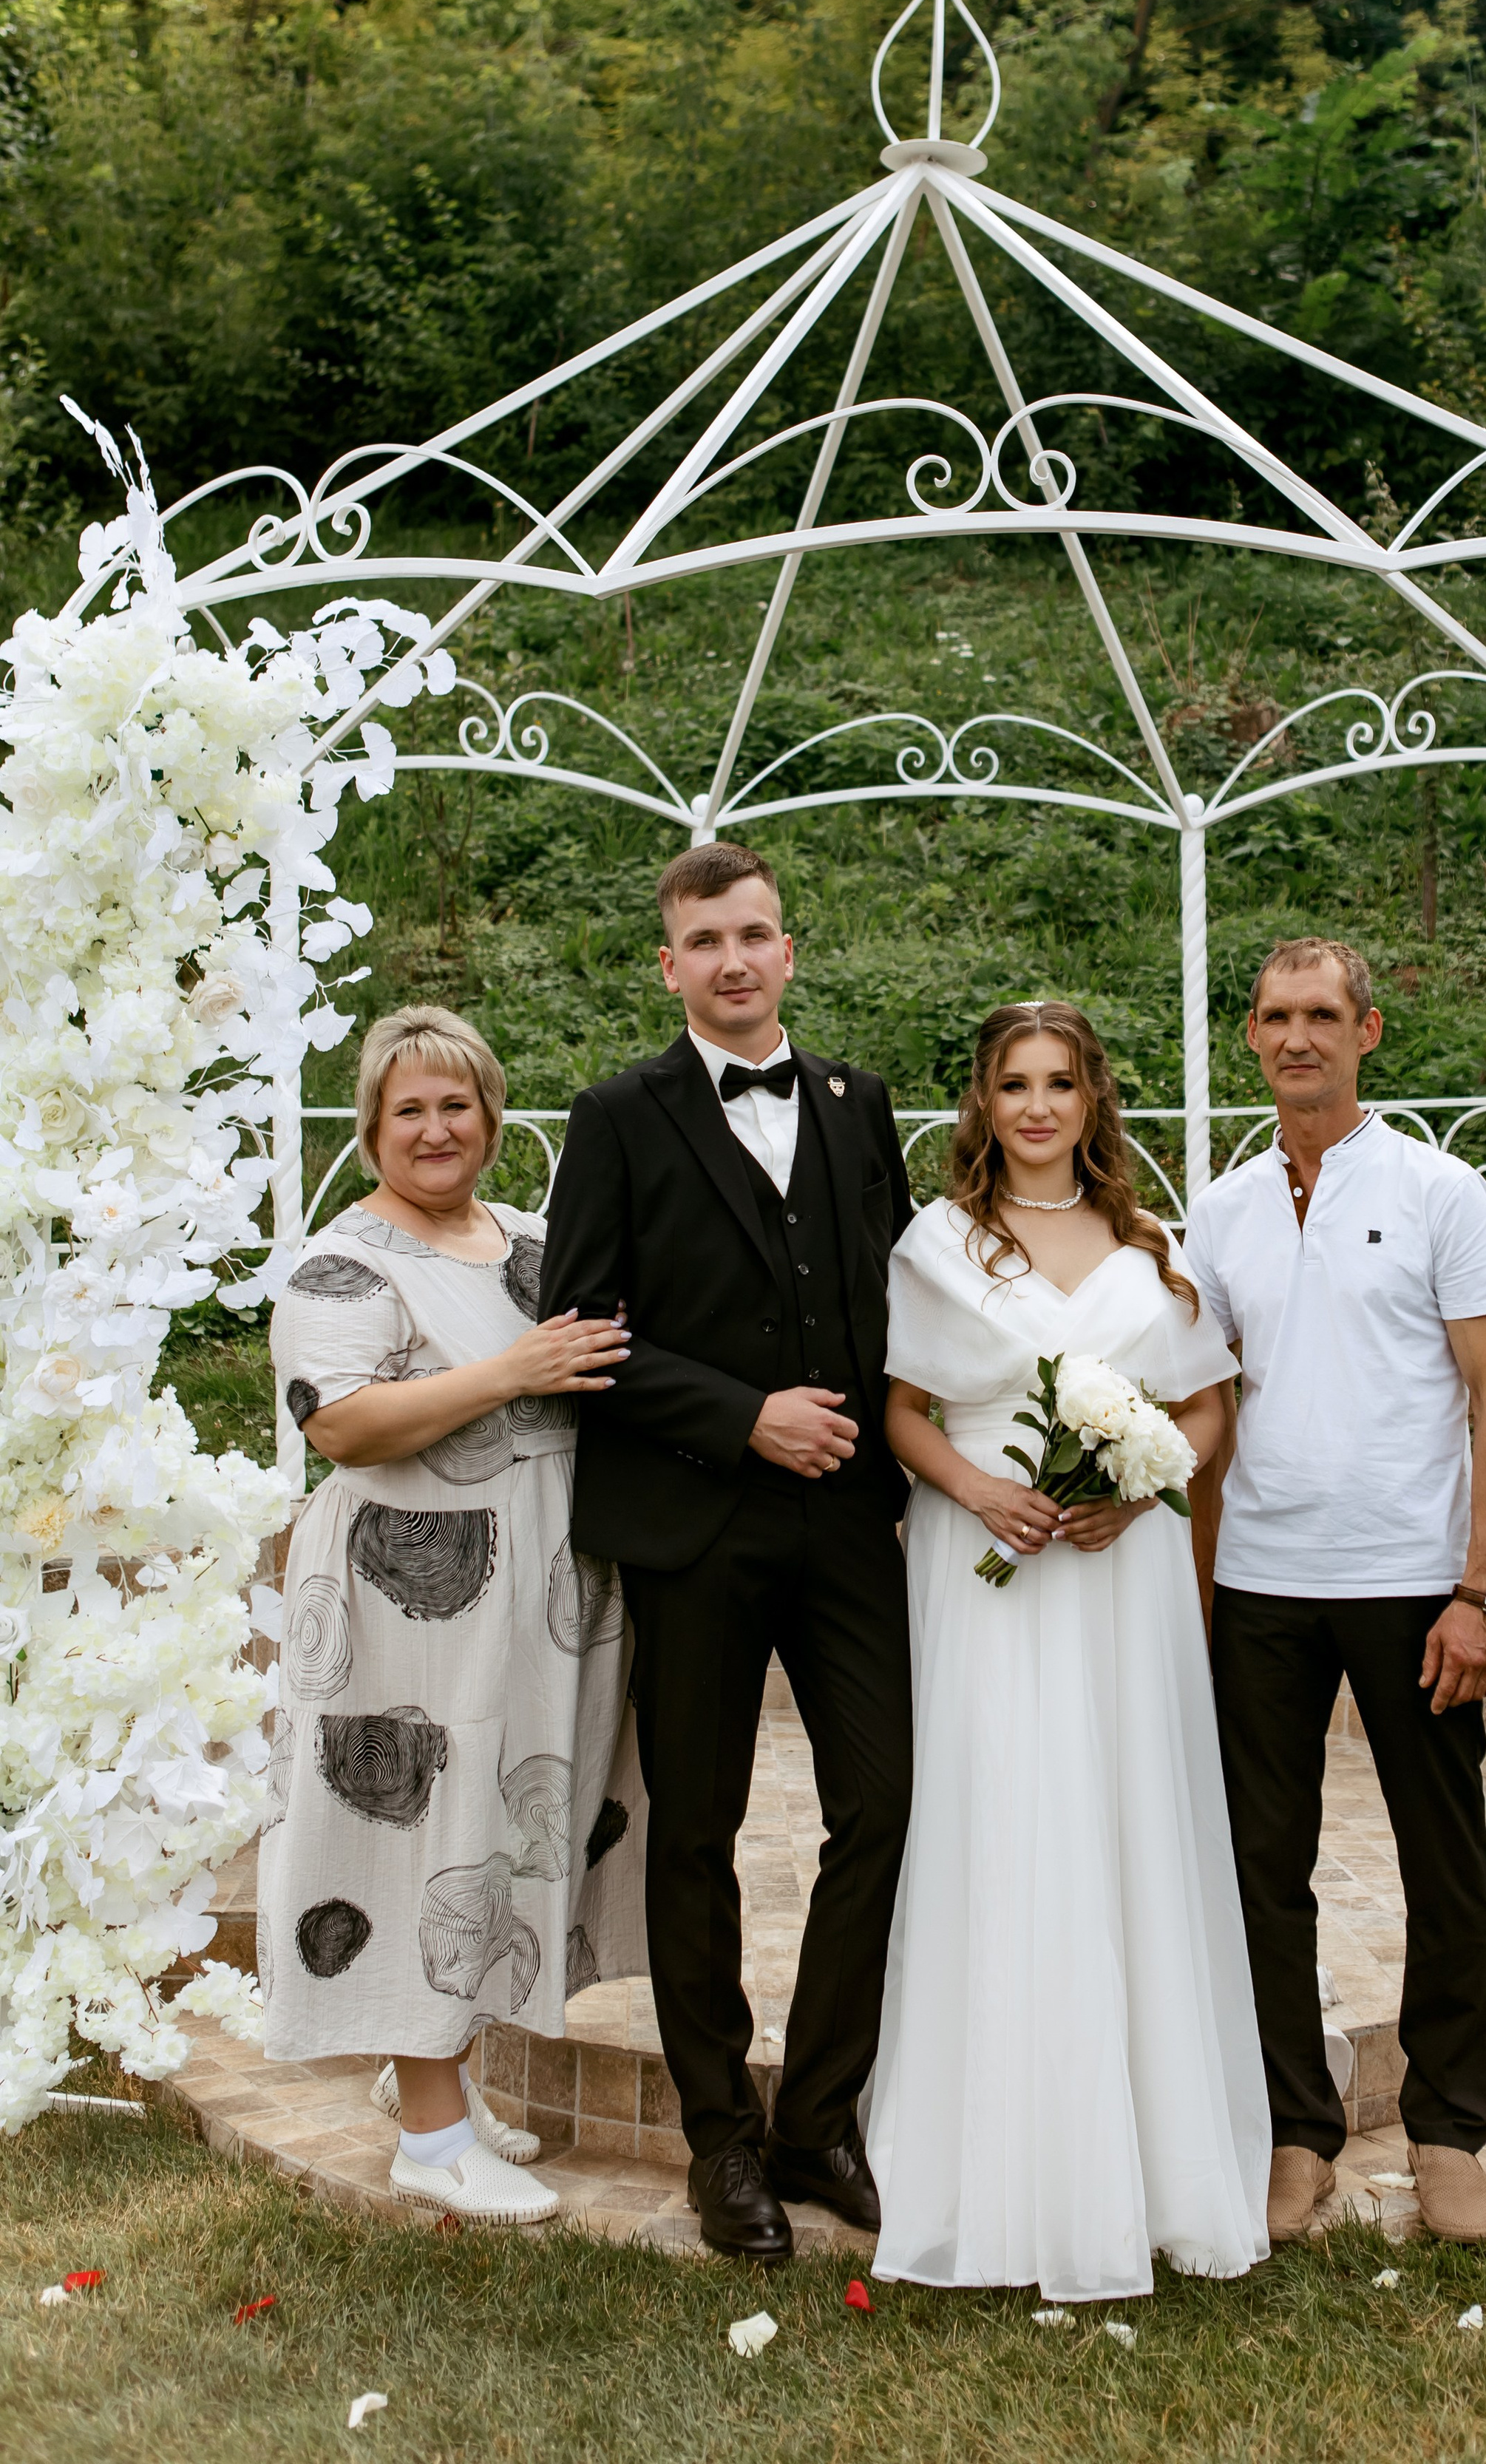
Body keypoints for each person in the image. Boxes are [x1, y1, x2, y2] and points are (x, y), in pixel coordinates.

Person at [537, 842, 915, 2263]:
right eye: (706, 941)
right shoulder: (619, 1115)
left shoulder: (856, 1102)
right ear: (670, 964)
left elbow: (891, 1301)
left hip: (849, 1522)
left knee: (884, 1803)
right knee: (694, 1833)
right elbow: (584, 1328)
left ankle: (820, 2113)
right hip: (694, 1521)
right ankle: (721, 2142)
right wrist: (741, 1415)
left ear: (788, 948)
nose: (735, 960)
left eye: (755, 933)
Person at [866, 1001, 1269, 2300]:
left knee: (1124, 1811)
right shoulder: (938, 1240)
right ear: (980, 1104)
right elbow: (904, 1411)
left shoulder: (1151, 1244)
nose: (1037, 1106)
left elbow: (1207, 1403)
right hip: (987, 1563)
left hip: (1117, 1568)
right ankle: (995, 2168)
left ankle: (1149, 2162)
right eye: (1011, 1084)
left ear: (1096, 1101)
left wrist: (1148, 1487)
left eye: (1061, 1084)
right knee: (1002, 1814)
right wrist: (981, 1495)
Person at [260, 1005, 644, 2226]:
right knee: (418, 1841)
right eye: (408, 1108)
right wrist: (508, 1373)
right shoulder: (347, 1261)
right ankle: (428, 2133)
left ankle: (448, 2085)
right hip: (402, 1606)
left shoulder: (531, 1243)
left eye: (457, 1104)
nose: (436, 1128)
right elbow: (341, 1420)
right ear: (373, 1126)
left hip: (529, 1600)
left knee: (492, 1833)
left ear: (491, 1117)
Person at [1187, 937, 1486, 2247]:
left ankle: (1450, 2134)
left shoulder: (1440, 1189)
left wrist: (1480, 1590)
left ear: (1368, 1031)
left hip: (1414, 1586)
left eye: (1322, 1015)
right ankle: (1296, 2130)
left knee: (1445, 1862)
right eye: (1276, 1016)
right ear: (1254, 1037)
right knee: (1260, 1869)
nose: (1298, 1038)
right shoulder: (1219, 1213)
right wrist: (1207, 1584)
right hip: (1264, 1583)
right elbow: (1208, 1415)